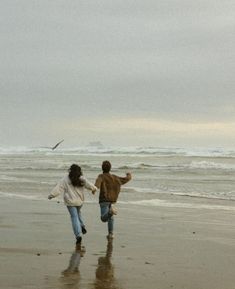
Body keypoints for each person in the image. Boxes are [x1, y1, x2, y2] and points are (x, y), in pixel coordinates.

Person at [48, 164, 97, 245]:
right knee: (78, 213)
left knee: (74, 217)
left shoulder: (66, 178)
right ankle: (82, 226)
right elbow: (89, 185)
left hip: (70, 201)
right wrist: (94, 188)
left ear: (70, 170)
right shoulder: (81, 178)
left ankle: (78, 235)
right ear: (79, 171)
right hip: (79, 201)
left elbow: (59, 187)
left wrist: (51, 195)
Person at [95, 160, 132, 240]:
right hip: (113, 200)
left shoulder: (101, 176)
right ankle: (111, 234)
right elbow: (125, 179)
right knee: (111, 218)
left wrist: (94, 189)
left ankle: (110, 212)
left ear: (102, 168)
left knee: (103, 218)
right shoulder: (115, 177)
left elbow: (97, 184)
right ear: (110, 168)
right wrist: (129, 174)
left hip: (104, 200)